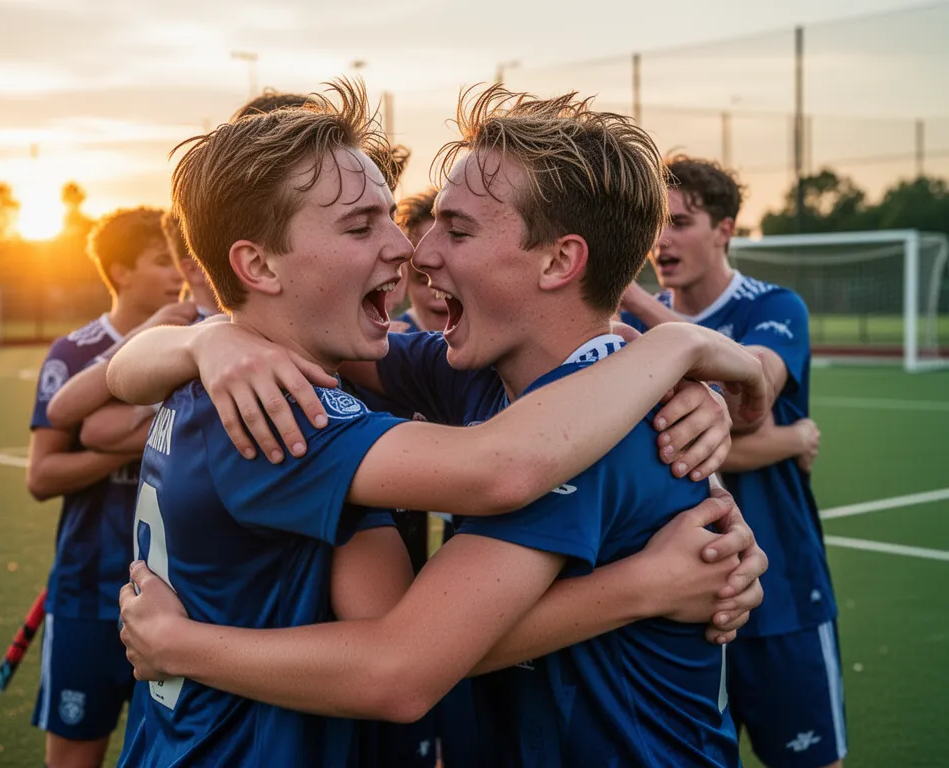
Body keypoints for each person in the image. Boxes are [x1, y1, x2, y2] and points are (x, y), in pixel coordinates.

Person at [111, 82, 768, 767]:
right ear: (257, 264)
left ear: (558, 260)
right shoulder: (298, 401)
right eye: (365, 226)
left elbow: (404, 649)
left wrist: (684, 356)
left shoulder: (599, 429)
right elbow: (407, 645)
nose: (415, 253)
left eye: (455, 231)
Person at [619, 155, 844, 768]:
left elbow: (748, 401)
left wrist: (633, 299)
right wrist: (788, 440)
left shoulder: (772, 306)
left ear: (725, 229)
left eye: (682, 221)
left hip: (783, 593)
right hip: (683, 605)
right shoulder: (623, 333)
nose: (663, 239)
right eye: (656, 224)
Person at [25, 207, 187, 768]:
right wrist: (138, 443)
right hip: (87, 591)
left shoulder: (193, 343)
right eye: (162, 261)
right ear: (119, 273)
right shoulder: (72, 352)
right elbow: (41, 477)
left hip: (175, 598)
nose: (177, 272)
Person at [392, 188, 446, 333]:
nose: (437, 292)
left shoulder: (498, 341)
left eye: (455, 278)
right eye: (423, 279)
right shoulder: (391, 343)